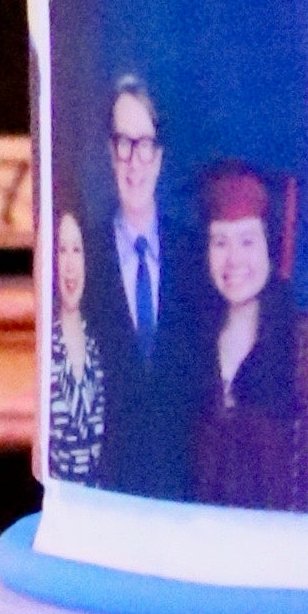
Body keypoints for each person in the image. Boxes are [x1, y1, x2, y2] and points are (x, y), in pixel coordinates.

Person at [78, 60, 208, 498]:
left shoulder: (194, 256)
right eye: (122, 142)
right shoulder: (84, 257)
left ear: (160, 154)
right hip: (108, 492)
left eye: (145, 143)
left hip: (184, 494)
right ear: (109, 150)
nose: (134, 161)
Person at [185, 161, 308, 513]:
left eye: (248, 241)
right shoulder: (190, 344)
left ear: (271, 247)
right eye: (219, 242)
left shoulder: (301, 346)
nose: (233, 259)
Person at [42, 196, 107, 483]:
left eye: (77, 250)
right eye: (61, 251)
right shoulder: (45, 345)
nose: (69, 265)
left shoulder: (101, 341)